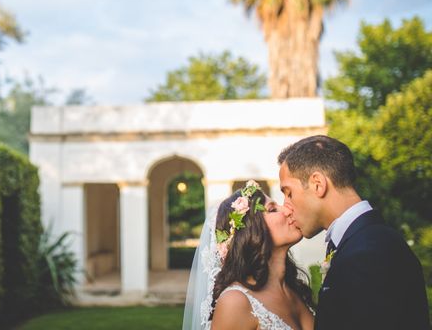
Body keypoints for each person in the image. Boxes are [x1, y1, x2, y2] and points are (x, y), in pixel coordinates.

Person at [278, 135, 430, 330]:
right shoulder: (366, 241)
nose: (286, 207)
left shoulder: (368, 254)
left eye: (289, 193)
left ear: (318, 184)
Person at [182, 180, 315, 330]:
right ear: (250, 232)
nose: (287, 210)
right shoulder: (236, 302)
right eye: (272, 210)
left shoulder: (296, 289)